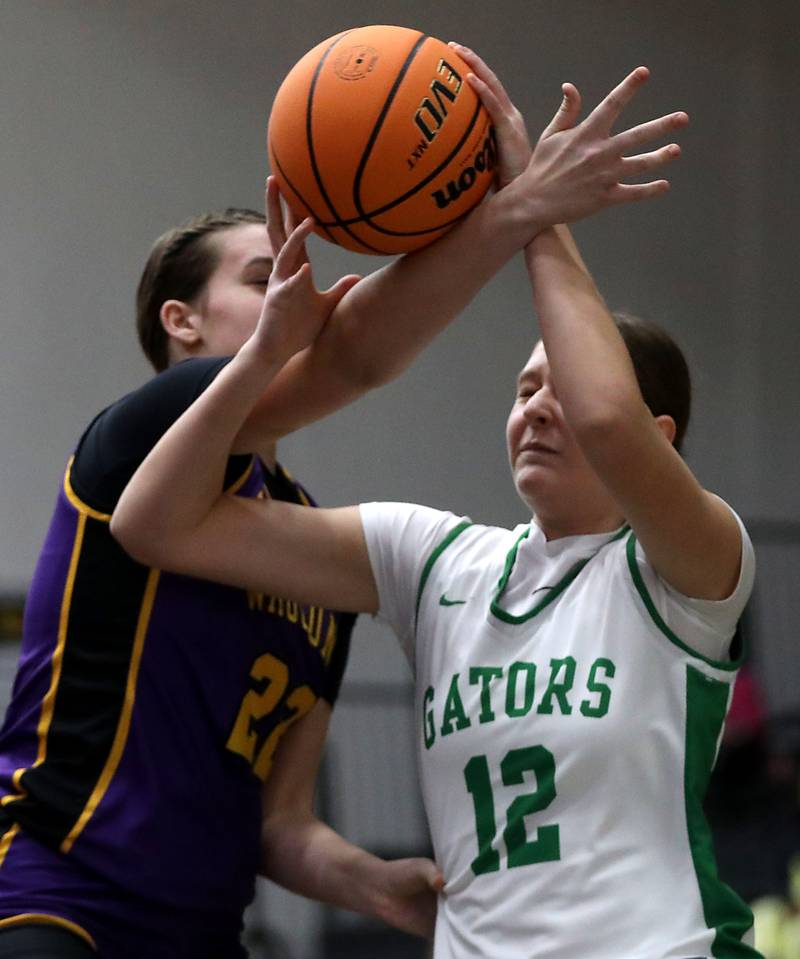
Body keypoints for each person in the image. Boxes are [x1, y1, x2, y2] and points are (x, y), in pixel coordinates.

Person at [0, 51, 684, 959]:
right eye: (264, 280)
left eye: (305, 275)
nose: (301, 297)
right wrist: (515, 210)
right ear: (181, 322)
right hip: (62, 887)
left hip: (202, 927)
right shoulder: (136, 432)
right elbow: (353, 359)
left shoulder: (310, 548)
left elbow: (280, 819)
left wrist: (372, 881)